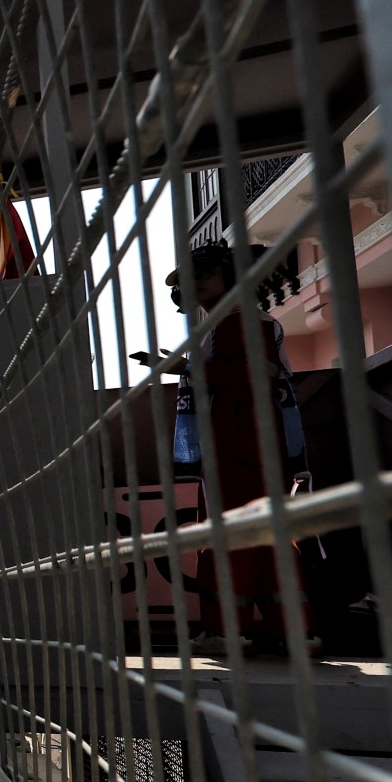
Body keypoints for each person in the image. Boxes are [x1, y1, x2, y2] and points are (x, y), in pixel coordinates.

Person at [156, 243, 314, 657]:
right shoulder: (240, 323)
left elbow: (252, 377)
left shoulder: (237, 323)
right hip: (251, 444)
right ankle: (292, 630)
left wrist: (185, 368)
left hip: (240, 444)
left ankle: (227, 630)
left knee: (231, 537)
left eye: (202, 277)